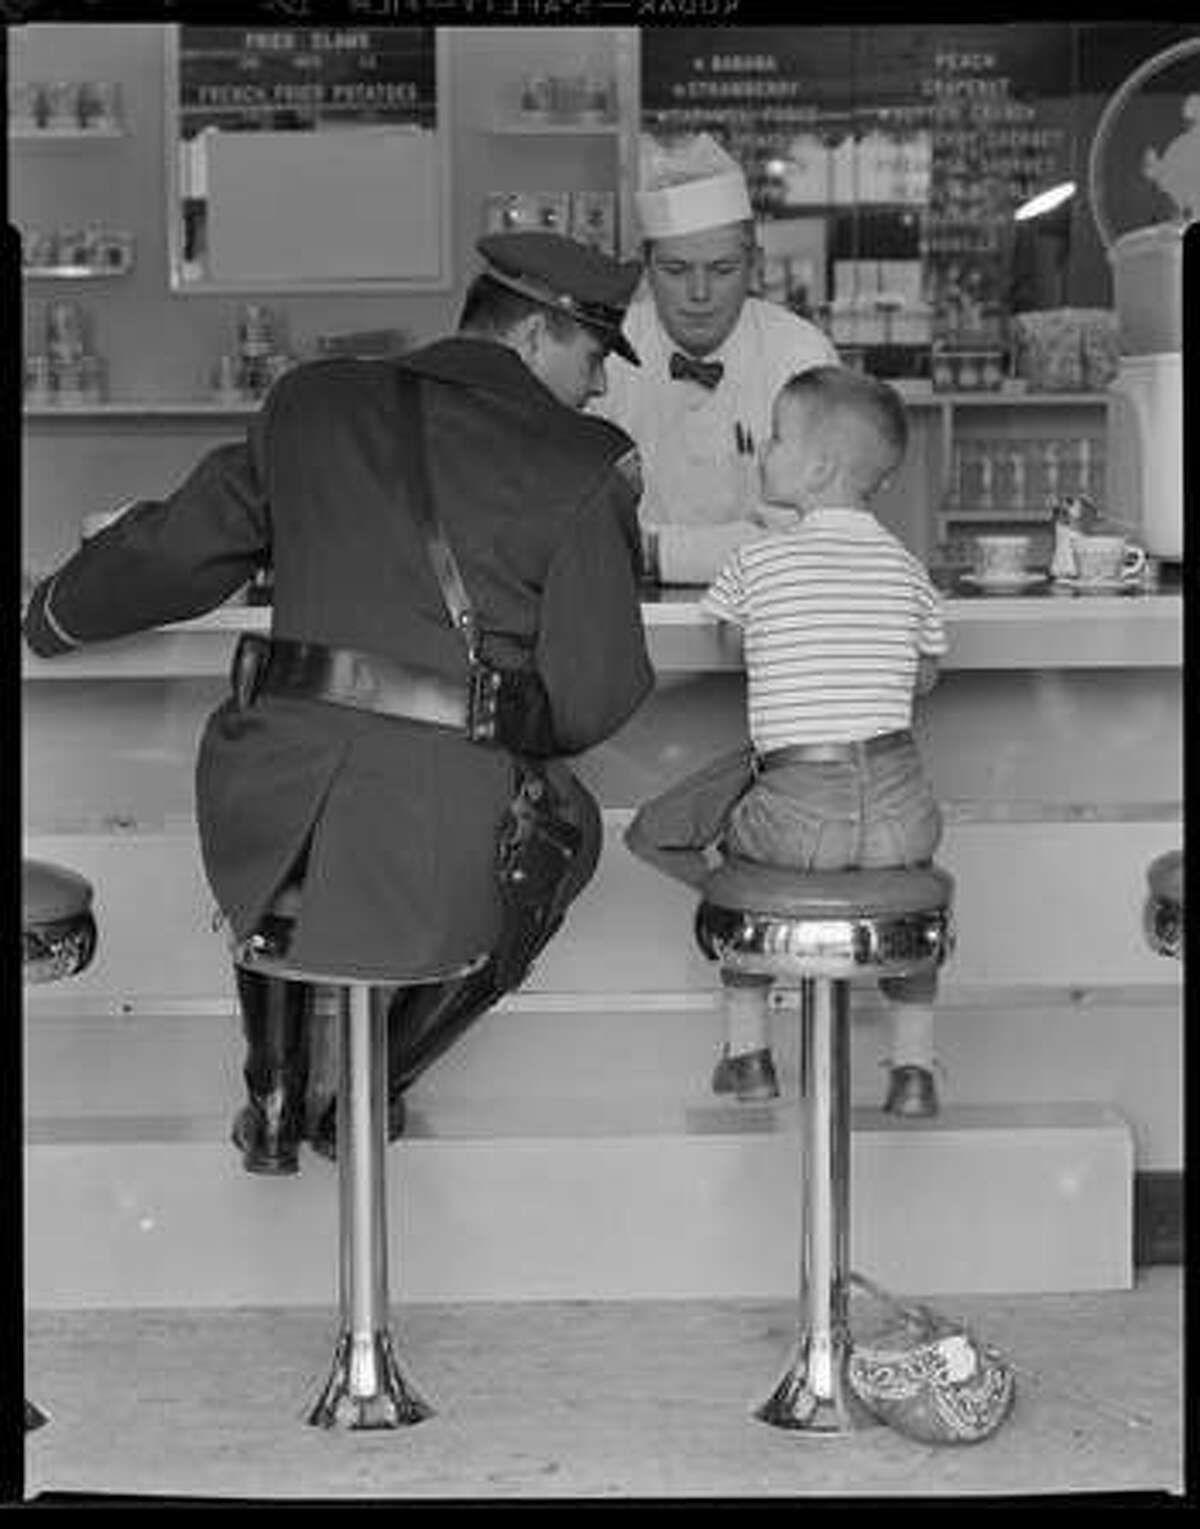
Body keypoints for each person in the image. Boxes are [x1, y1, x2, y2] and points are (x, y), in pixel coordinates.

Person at [23, 231, 656, 1173]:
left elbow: (178, 551)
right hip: (444, 840)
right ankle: (375, 1087)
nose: (601, 385)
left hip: (268, 796)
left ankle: (272, 1089)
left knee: (293, 861)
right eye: (595, 354)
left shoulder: (311, 404)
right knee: (563, 828)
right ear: (533, 334)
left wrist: (50, 616)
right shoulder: (586, 462)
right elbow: (595, 697)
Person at [625, 365, 948, 1117]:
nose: (761, 450)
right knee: (912, 888)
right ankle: (911, 1067)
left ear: (819, 467)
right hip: (904, 809)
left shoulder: (756, 560)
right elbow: (925, 676)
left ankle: (749, 1056)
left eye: (774, 436)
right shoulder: (907, 568)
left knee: (739, 859)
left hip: (800, 816)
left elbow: (732, 645)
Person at [591, 132, 838, 586]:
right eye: (676, 270)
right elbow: (568, 516)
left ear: (755, 264)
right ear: (645, 267)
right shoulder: (601, 355)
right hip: (621, 615)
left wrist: (646, 551)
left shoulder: (802, 355)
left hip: (774, 615)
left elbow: (817, 531)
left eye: (722, 271)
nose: (699, 294)